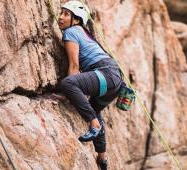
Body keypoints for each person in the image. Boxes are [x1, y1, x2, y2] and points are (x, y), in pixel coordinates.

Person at [58, 1, 122, 169]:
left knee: (68, 83)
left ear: (76, 20)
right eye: (61, 13)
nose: (60, 17)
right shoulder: (83, 32)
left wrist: (69, 92)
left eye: (66, 14)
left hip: (105, 74)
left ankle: (93, 124)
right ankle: (102, 158)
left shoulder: (71, 32)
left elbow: (74, 66)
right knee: (94, 110)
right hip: (114, 81)